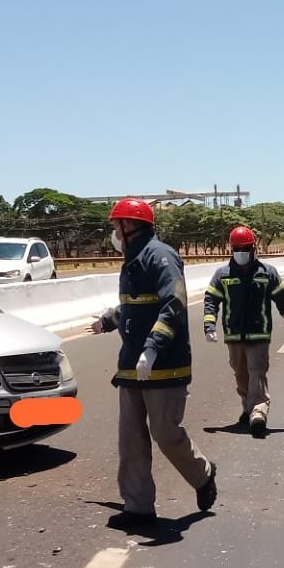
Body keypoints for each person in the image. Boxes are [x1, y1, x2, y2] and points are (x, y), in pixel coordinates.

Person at [89, 197, 217, 526]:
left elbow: (173, 303)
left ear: (128, 227)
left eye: (116, 226)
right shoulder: (132, 260)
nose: (113, 233)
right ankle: (138, 506)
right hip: (132, 364)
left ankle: (203, 474)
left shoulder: (161, 256)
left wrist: (153, 346)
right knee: (130, 439)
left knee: (164, 433)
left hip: (164, 363)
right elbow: (136, 307)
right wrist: (109, 320)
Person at [203, 225, 284, 437]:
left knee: (257, 372)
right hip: (234, 334)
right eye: (237, 248)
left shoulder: (267, 273)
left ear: (253, 248)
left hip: (259, 334)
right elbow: (211, 299)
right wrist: (209, 326)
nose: (241, 252)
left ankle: (258, 412)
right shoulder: (222, 274)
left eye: (245, 248)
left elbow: (282, 299)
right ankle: (248, 407)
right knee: (241, 374)